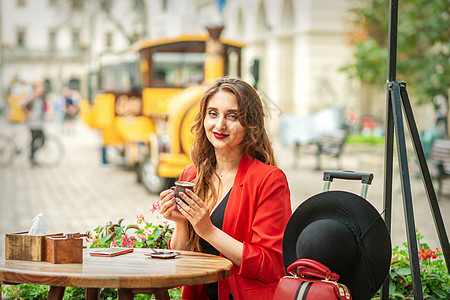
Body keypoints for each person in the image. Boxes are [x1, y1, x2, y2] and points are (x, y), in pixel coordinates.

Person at [159, 77, 292, 299]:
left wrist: (208, 230)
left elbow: (270, 265)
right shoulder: (191, 175)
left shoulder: (269, 180)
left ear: (250, 124)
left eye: (232, 116)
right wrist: (181, 222)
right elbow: (182, 257)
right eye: (213, 114)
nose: (219, 125)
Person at [20, 82, 46, 166]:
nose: (41, 90)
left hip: (38, 123)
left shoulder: (40, 98)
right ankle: (31, 156)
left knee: (38, 140)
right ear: (35, 89)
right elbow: (21, 105)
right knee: (39, 139)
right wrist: (29, 114)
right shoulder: (32, 97)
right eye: (40, 88)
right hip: (33, 124)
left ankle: (31, 156)